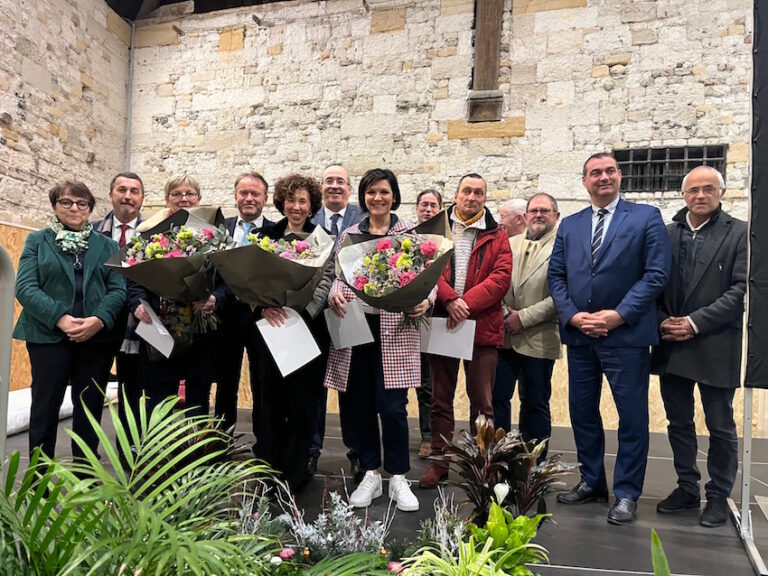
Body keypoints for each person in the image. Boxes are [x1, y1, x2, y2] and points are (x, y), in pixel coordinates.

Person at [548, 153, 670, 525]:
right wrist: (573, 315)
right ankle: (592, 482)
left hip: (627, 336)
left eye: (610, 171)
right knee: (582, 413)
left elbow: (655, 275)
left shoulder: (646, 218)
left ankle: (628, 493)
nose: (604, 177)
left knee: (631, 417)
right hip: (581, 337)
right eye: (596, 172)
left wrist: (618, 315)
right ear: (584, 181)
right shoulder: (570, 224)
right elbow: (556, 277)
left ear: (619, 176)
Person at [326, 168, 430, 512]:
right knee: (359, 404)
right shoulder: (351, 235)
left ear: (394, 195)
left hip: (395, 330)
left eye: (384, 192)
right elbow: (340, 278)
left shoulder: (410, 235)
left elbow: (428, 278)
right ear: (364, 197)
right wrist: (335, 296)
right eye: (371, 192)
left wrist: (426, 301)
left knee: (393, 407)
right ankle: (371, 472)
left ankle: (398, 475)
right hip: (357, 329)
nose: (377, 198)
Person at [651, 166, 747, 527]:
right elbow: (652, 283)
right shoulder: (666, 233)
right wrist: (662, 320)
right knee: (678, 422)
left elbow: (740, 291)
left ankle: (719, 496)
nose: (701, 195)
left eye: (709, 189)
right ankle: (687, 487)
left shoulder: (739, 234)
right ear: (683, 195)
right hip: (670, 342)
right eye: (693, 190)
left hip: (715, 342)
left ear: (722, 192)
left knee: (720, 425)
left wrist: (694, 323)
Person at [14, 181, 126, 460]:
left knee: (89, 406)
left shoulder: (108, 245)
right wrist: (60, 319)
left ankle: (86, 469)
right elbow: (26, 288)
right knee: (45, 405)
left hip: (96, 339)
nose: (74, 208)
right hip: (48, 337)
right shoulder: (37, 241)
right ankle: (38, 473)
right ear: (55, 206)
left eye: (81, 203)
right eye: (66, 202)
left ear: (89, 208)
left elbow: (118, 289)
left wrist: (99, 319)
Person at [419, 173, 513, 489]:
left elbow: (500, 279)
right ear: (456, 195)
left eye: (478, 192)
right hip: (445, 322)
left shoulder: (497, 235)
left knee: (483, 403)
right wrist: (450, 300)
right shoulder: (437, 229)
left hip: (481, 327)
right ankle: (440, 463)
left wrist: (466, 304)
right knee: (440, 400)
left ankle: (483, 465)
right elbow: (428, 270)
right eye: (466, 191)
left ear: (485, 198)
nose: (472, 197)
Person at [254, 174, 332, 494]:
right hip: (271, 329)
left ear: (312, 205)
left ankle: (295, 472)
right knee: (268, 402)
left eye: (302, 201)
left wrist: (303, 313)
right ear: (282, 202)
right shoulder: (265, 235)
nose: (296, 206)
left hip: (307, 331)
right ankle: (268, 469)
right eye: (291, 200)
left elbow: (327, 280)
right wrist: (263, 308)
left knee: (302, 403)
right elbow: (250, 278)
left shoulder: (321, 238)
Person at [129, 174, 216, 416]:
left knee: (197, 398)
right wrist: (137, 303)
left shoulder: (214, 233)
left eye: (189, 194)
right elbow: (133, 275)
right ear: (167, 199)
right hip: (158, 324)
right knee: (158, 396)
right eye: (176, 194)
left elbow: (228, 278)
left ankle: (195, 453)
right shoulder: (147, 233)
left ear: (199, 198)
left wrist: (214, 298)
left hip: (200, 328)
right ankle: (159, 452)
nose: (183, 199)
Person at [492, 193, 561, 459]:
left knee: (534, 404)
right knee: (498, 401)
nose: (538, 215)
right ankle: (498, 461)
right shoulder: (508, 243)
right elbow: (495, 282)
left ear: (556, 215)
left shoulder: (564, 246)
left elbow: (563, 295)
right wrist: (506, 314)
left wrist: (524, 317)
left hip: (539, 336)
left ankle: (533, 466)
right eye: (534, 210)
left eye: (545, 210)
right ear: (526, 215)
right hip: (505, 335)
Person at [307, 164, 363, 480]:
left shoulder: (363, 219)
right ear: (321, 187)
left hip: (349, 312)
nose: (334, 186)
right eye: (328, 181)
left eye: (340, 181)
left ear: (349, 188)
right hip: (315, 313)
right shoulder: (309, 218)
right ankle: (311, 452)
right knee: (315, 388)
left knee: (351, 390)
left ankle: (356, 453)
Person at [211, 172, 275, 433]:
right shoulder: (219, 228)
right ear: (235, 196)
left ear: (265, 198)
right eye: (244, 193)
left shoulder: (276, 231)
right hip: (226, 314)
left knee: (263, 381)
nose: (249, 198)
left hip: (262, 315)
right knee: (225, 381)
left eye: (255, 194)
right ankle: (221, 441)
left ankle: (264, 445)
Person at [94, 172, 144, 437]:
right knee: (91, 391)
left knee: (132, 394)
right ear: (111, 194)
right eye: (122, 190)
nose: (127, 196)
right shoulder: (91, 231)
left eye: (134, 191)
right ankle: (84, 456)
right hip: (99, 323)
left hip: (137, 325)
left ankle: (130, 456)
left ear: (142, 198)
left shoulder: (154, 235)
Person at [414, 188, 443, 459]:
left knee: (429, 384)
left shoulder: (445, 238)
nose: (428, 209)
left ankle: (428, 436)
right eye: (424, 204)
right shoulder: (407, 237)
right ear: (416, 208)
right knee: (411, 383)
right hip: (407, 318)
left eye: (433, 205)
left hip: (436, 318)